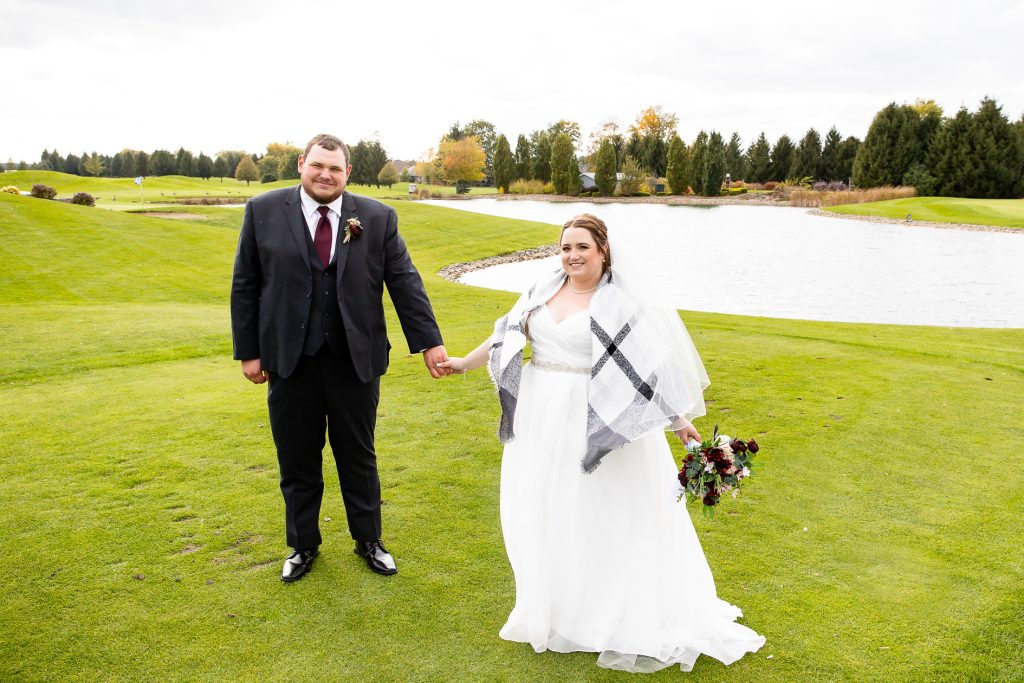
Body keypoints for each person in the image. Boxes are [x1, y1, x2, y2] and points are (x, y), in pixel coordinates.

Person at [438, 214, 765, 672]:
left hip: (593, 415)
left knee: (603, 509)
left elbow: (646, 368)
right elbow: (505, 337)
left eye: (582, 248)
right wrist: (460, 363)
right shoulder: (542, 288)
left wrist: (679, 421)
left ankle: (610, 612)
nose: (572, 256)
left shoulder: (619, 303)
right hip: (540, 416)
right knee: (547, 506)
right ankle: (560, 606)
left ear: (603, 251)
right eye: (565, 246)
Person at [231, 133, 449, 582]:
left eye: (335, 168)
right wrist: (248, 352)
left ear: (347, 173)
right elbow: (246, 284)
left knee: (358, 455)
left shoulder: (377, 216)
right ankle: (302, 545)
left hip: (356, 360)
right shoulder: (263, 211)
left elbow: (405, 283)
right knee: (297, 458)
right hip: (290, 360)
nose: (325, 175)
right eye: (318, 166)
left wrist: (429, 342)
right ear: (301, 165)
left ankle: (369, 540)